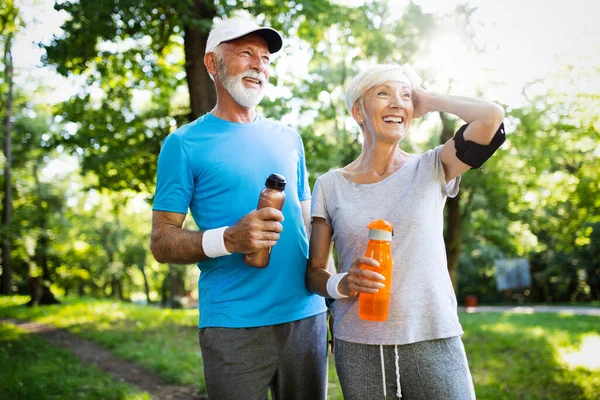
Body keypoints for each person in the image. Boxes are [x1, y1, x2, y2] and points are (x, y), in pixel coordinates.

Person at [150, 17, 328, 400]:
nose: (258, 65)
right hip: (233, 325)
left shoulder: (289, 138)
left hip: (306, 316)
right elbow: (162, 242)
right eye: (245, 53)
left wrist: (331, 288)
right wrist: (230, 239)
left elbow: (308, 224)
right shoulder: (183, 144)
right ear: (212, 64)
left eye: (265, 58)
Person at [306, 63, 505, 399]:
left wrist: (428, 99)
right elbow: (314, 272)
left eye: (405, 96)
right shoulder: (329, 186)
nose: (397, 103)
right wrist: (341, 283)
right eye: (383, 93)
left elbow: (491, 117)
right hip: (358, 344)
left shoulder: (432, 166)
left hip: (432, 336)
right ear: (357, 110)